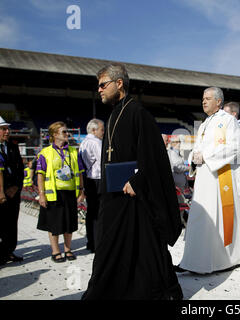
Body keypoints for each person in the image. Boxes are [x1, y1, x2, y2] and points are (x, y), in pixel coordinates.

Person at [82, 63, 183, 300]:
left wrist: (137, 181)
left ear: (119, 83)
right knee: (111, 246)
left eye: (103, 84)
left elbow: (154, 156)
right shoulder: (114, 114)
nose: (99, 90)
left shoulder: (138, 113)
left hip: (133, 196)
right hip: (114, 196)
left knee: (143, 247)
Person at [176, 87, 240, 274]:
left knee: (216, 219)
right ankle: (194, 261)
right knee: (200, 219)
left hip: (220, 179)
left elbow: (235, 148)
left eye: (207, 98)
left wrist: (205, 156)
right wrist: (194, 158)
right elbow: (198, 149)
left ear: (219, 102)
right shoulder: (204, 124)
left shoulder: (228, 121)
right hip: (205, 180)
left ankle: (219, 261)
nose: (203, 101)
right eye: (202, 98)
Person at [36, 121, 85, 263]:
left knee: (69, 223)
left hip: (70, 193)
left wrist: (81, 192)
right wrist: (42, 194)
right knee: (54, 224)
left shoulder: (73, 152)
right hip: (54, 194)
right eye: (64, 132)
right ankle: (55, 251)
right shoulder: (45, 153)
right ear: (54, 134)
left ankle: (68, 249)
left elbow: (80, 173)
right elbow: (40, 175)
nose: (67, 134)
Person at [0, 116, 24, 265]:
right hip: (0, 192)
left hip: (13, 193)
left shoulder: (13, 147)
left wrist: (16, 187)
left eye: (7, 129)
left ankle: (9, 251)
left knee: (11, 223)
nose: (7, 131)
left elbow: (20, 170)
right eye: (3, 129)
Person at [79, 118, 104, 252]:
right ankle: (98, 242)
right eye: (101, 130)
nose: (103, 132)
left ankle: (91, 241)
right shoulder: (96, 142)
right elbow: (103, 162)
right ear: (94, 130)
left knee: (91, 212)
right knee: (99, 212)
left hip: (88, 179)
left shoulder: (84, 142)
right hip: (97, 179)